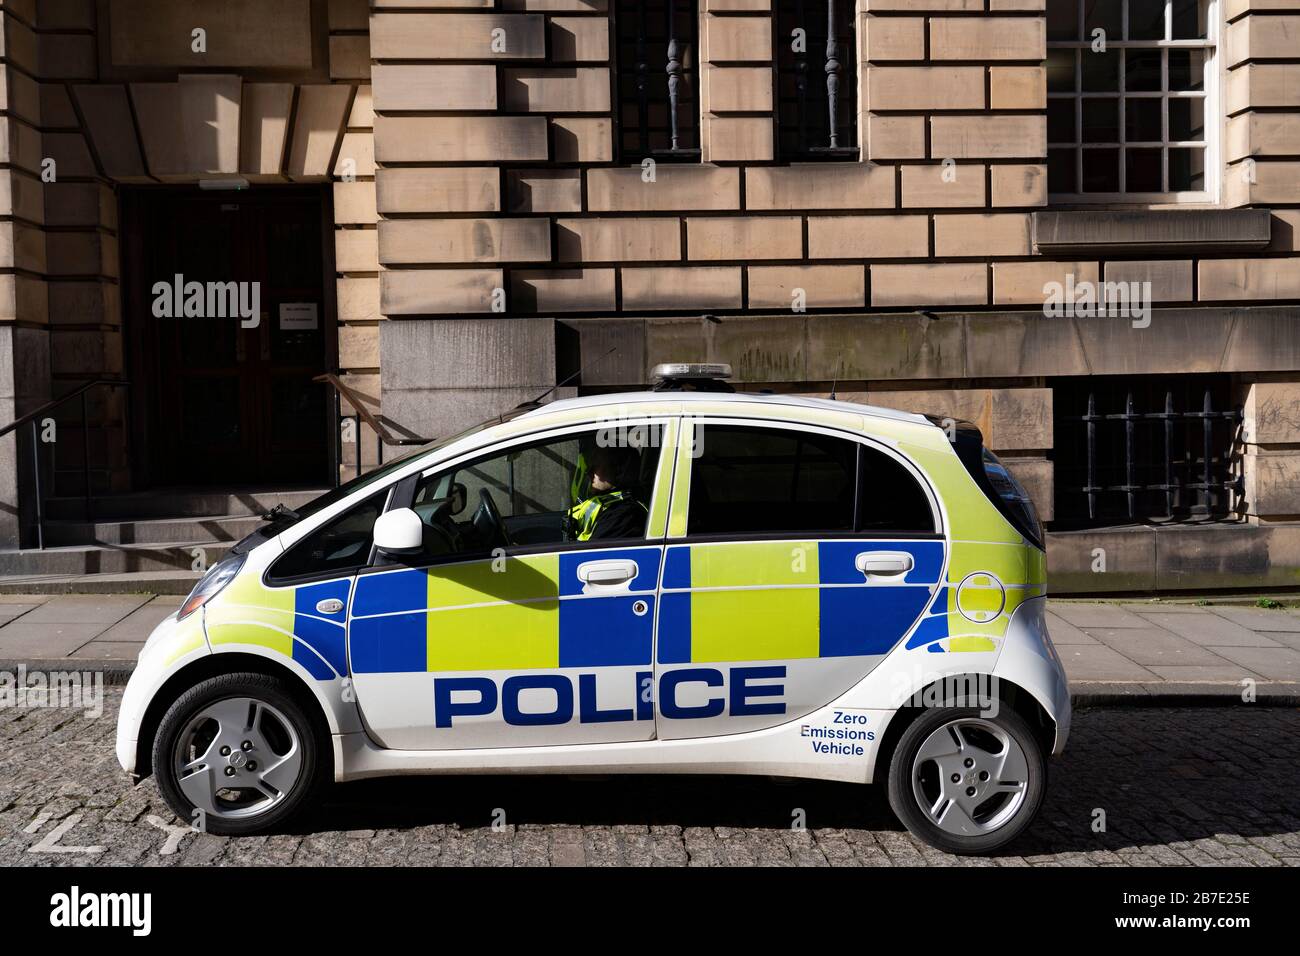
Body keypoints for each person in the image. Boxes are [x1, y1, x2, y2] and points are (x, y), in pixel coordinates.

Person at [567, 443, 647, 541]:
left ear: (619, 471)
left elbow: (591, 554)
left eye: (595, 466)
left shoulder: (623, 515)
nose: (589, 471)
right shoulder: (609, 504)